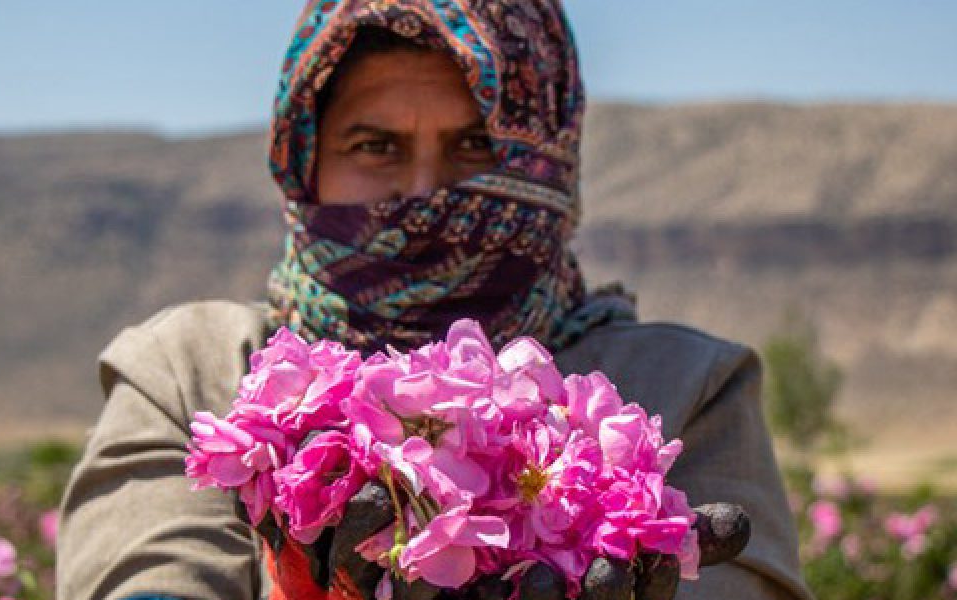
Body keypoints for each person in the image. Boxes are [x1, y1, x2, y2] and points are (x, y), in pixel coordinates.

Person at [56, 1, 813, 599]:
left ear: (549, 166)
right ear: (302, 163)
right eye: (374, 146)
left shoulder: (683, 386)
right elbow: (147, 581)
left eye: (476, 146)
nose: (422, 194)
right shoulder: (192, 373)